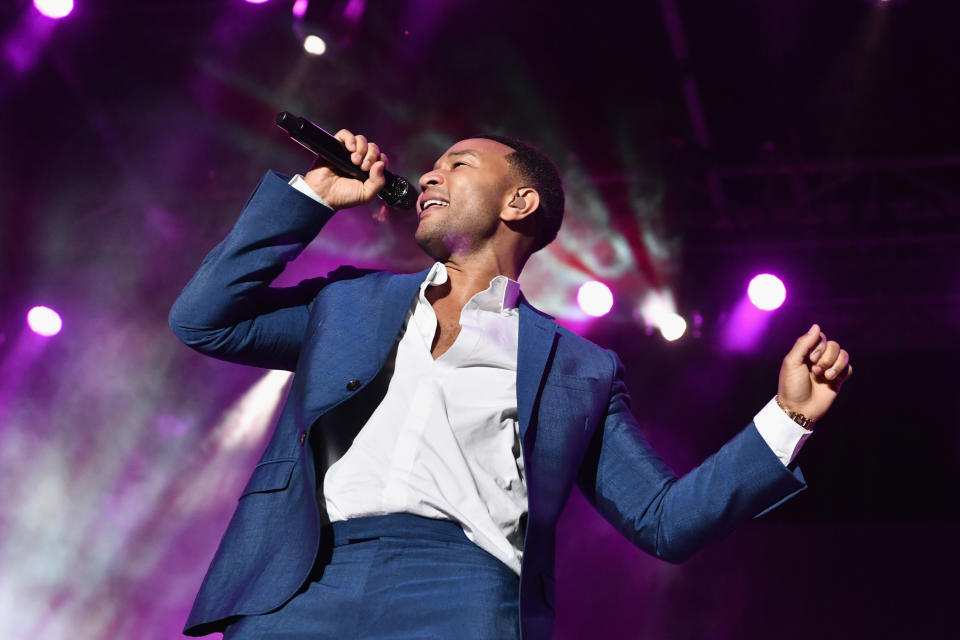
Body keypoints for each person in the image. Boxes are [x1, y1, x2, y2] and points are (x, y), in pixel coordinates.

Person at [169, 129, 852, 639]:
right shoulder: (350, 302)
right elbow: (205, 320)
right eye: (431, 167)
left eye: (457, 165)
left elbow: (662, 521)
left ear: (519, 201)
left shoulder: (578, 366)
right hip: (298, 580)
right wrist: (313, 196)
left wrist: (787, 420)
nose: (429, 177)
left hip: (461, 593)